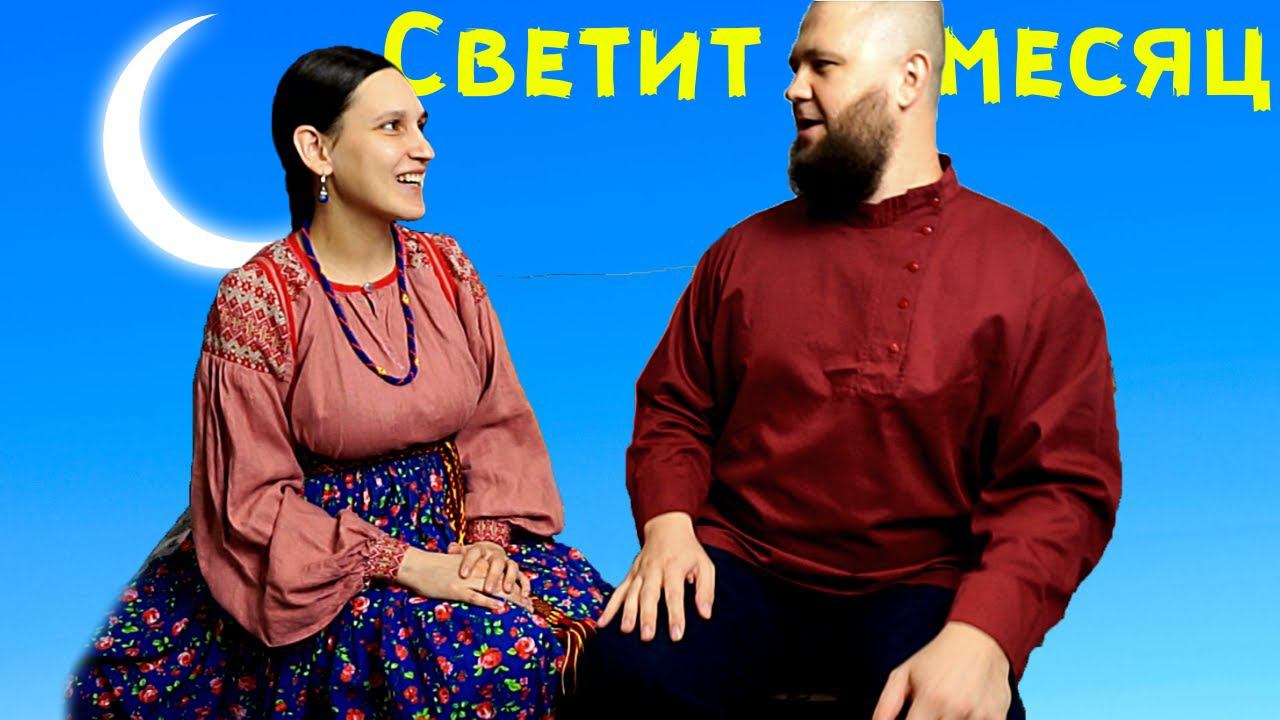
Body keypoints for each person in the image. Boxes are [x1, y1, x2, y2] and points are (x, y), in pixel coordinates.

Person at [571, 3, 1122, 719]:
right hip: (742, 564)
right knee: (624, 671)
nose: (793, 88)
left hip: (924, 583)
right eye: (794, 66)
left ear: (909, 78)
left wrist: (987, 634)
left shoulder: (1032, 269)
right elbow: (675, 408)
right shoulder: (740, 253)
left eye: (822, 66)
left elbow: (1061, 485)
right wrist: (668, 525)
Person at [67, 46, 609, 720]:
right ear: (316, 150)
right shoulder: (259, 298)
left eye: (421, 125)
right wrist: (409, 564)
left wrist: (486, 545)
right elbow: (252, 498)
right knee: (495, 655)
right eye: (392, 128)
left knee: (619, 638)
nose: (424, 150)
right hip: (324, 563)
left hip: (462, 530)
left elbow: (496, 422)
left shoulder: (447, 267)